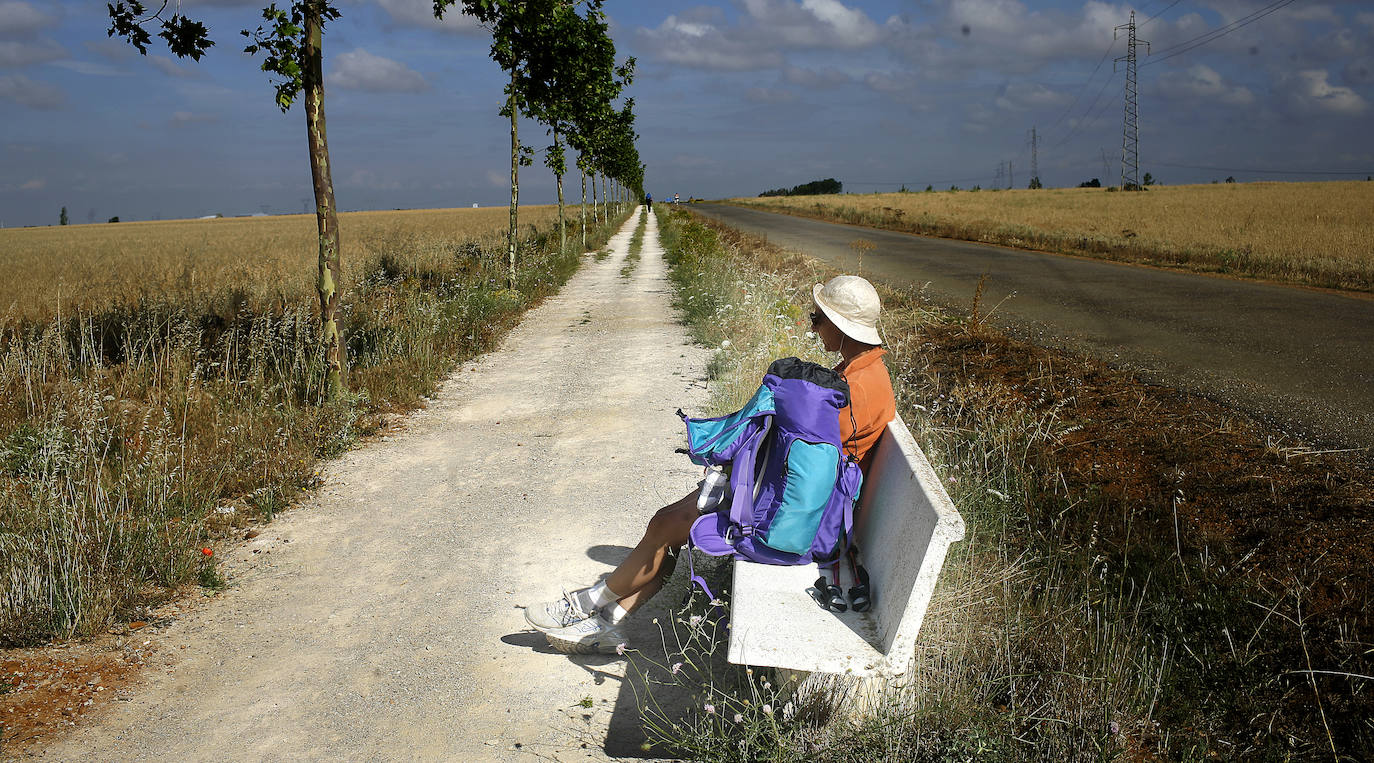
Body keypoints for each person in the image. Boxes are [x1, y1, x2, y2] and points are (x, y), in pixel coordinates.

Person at [526, 275, 897, 653]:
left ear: (840, 326)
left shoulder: (858, 388)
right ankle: (604, 619)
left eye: (817, 319)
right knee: (668, 526)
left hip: (796, 518)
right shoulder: (861, 374)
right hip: (786, 497)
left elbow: (806, 457)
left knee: (667, 524)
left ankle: (583, 606)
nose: (813, 326)